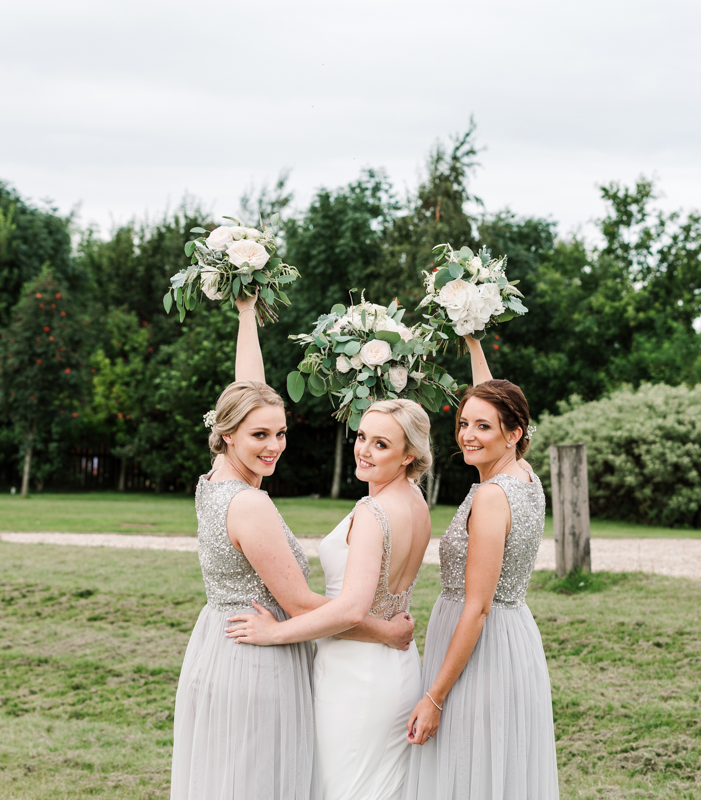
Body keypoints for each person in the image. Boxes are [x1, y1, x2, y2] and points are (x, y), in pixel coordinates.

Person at [171, 294, 413, 800]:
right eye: (260, 434)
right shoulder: (251, 504)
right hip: (259, 656)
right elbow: (302, 604)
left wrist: (245, 314)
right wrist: (384, 632)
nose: (274, 446)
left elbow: (247, 389)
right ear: (228, 433)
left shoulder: (214, 479)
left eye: (280, 433)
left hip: (219, 642)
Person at [226, 399, 433, 800]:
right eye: (362, 437)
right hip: (398, 667)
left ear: (409, 455)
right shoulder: (417, 503)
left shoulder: (374, 512)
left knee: (343, 787)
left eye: (381, 444)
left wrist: (276, 632)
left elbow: (353, 608)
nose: (364, 450)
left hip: (354, 674)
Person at [403, 334, 559, 799]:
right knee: (499, 769)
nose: (468, 435)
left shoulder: (492, 497)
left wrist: (434, 697)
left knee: (469, 769)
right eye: (464, 423)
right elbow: (493, 399)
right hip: (515, 639)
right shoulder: (524, 477)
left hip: (479, 651)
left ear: (514, 435)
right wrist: (471, 335)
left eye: (483, 427)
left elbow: (477, 608)